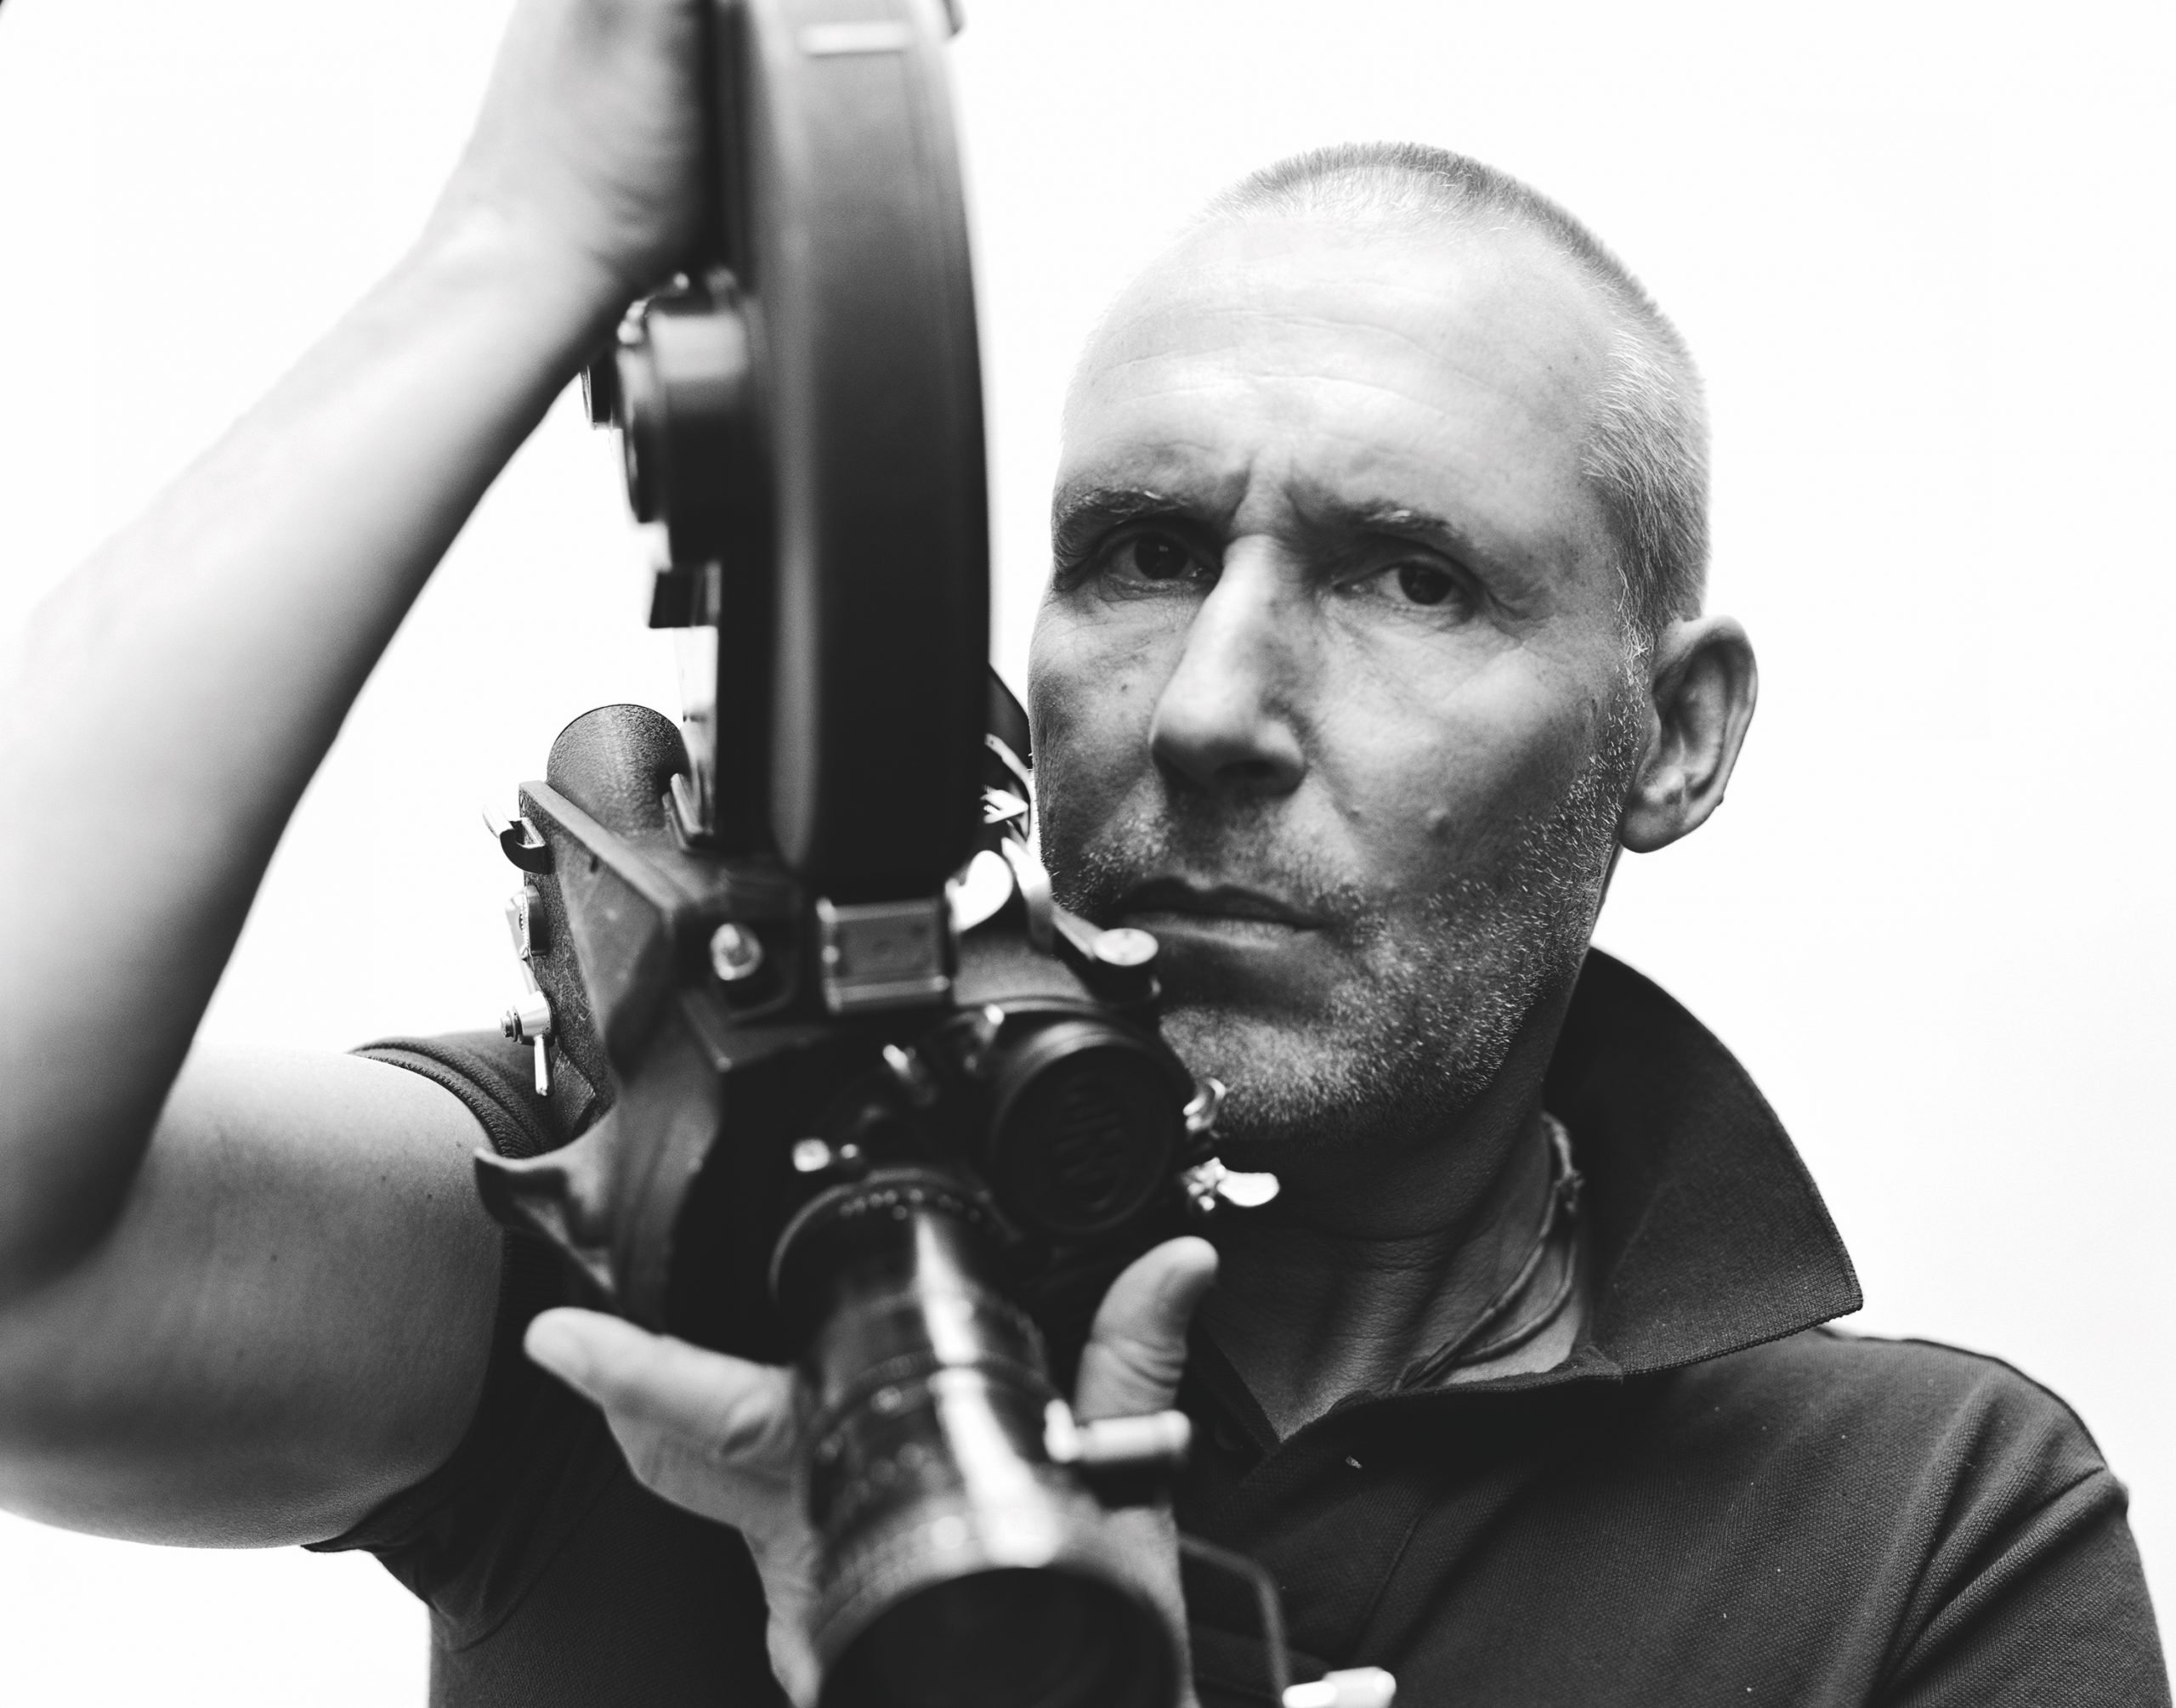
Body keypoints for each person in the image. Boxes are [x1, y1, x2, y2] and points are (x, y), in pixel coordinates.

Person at [0, 1, 2164, 1704]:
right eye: (1136, 551)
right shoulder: (643, 1232)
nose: (1209, 704)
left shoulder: (1929, 1526)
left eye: (1407, 576)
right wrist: (521, 240)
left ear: (1669, 741)